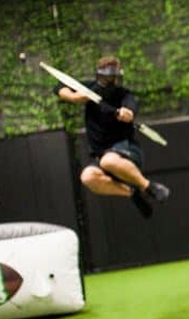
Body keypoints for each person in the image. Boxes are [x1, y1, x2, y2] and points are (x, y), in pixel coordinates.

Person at [54, 56, 170, 217]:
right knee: (88, 177)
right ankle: (131, 192)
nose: (109, 81)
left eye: (112, 78)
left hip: (126, 151)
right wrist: (75, 97)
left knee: (108, 161)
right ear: (99, 76)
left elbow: (130, 111)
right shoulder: (89, 89)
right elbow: (60, 86)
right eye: (105, 77)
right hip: (101, 155)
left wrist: (125, 113)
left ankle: (149, 187)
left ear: (118, 77)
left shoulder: (125, 95)